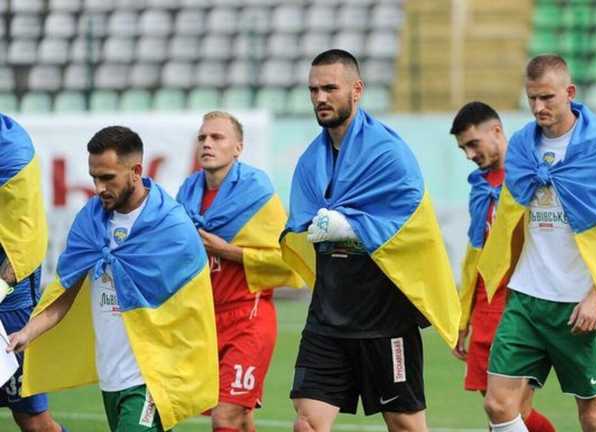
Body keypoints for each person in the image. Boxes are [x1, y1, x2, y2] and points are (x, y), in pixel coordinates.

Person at [280, 49, 460, 432]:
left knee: (406, 425)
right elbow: (301, 220)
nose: (320, 98)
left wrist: (349, 226)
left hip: (385, 321)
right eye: (313, 89)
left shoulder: (388, 153)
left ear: (357, 89)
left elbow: (410, 220)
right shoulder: (311, 160)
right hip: (327, 319)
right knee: (307, 424)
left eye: (330, 88)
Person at [7, 126, 219, 431]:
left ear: (135, 171)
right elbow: (64, 293)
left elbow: (192, 306)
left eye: (108, 178)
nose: (99, 187)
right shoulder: (90, 221)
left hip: (151, 377)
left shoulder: (171, 225)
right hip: (111, 378)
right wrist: (27, 333)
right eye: (94, 177)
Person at [478, 54, 596, 432]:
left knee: (594, 418)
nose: (538, 107)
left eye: (547, 97)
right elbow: (512, 217)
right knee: (498, 404)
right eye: (532, 98)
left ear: (569, 92)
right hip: (528, 297)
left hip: (579, 303)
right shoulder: (520, 146)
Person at [177, 111, 302, 432]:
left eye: (217, 137)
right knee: (241, 418)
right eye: (202, 137)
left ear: (238, 147)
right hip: (205, 322)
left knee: (225, 417)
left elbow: (286, 258)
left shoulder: (256, 193)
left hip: (249, 316)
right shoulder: (187, 194)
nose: (207, 143)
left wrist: (225, 250)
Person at [450, 101, 554, 432]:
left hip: (524, 298)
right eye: (463, 148)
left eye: (473, 144)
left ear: (496, 131)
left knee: (512, 409)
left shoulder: (533, 173)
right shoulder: (480, 186)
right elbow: (475, 255)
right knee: (499, 410)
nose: (469, 154)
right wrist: (463, 316)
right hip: (485, 303)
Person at [0, 114, 65, 432]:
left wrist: (0, 288)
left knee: (33, 420)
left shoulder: (12, 154)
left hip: (9, 302)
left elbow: (25, 242)